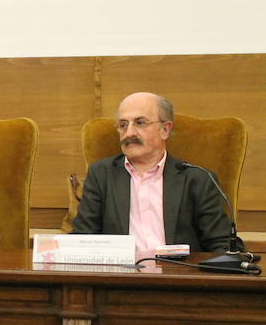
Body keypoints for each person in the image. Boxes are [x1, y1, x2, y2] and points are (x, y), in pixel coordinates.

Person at [71, 92, 233, 252]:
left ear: (165, 129)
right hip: (121, 274)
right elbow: (82, 238)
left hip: (178, 274)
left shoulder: (198, 179)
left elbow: (220, 244)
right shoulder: (101, 174)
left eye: (140, 123)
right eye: (123, 125)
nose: (129, 133)